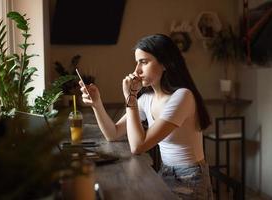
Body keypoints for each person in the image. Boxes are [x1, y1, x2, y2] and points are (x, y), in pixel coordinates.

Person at [79, 33, 213, 199]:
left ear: (165, 63)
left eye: (144, 62)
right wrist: (97, 104)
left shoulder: (182, 96)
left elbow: (138, 146)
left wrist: (131, 98)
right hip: (165, 172)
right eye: (137, 62)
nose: (137, 70)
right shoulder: (146, 99)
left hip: (189, 178)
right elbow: (112, 133)